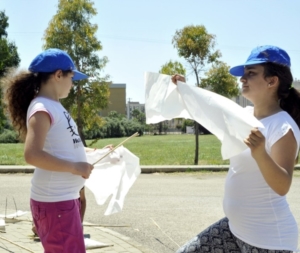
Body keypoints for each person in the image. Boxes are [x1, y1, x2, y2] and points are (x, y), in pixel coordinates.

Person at [172, 45, 300, 253]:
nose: (242, 79)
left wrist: (260, 154)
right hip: (235, 229)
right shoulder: (245, 114)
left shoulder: (283, 127)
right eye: (243, 74)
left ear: (272, 81)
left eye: (250, 74)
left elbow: (283, 185)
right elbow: (209, 110)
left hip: (268, 242)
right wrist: (186, 91)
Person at [2, 48, 94, 252]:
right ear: (58, 75)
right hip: (56, 204)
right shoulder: (41, 107)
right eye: (72, 77)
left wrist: (93, 153)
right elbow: (32, 154)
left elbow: (66, 147)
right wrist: (74, 167)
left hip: (62, 202)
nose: (73, 83)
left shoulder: (53, 105)